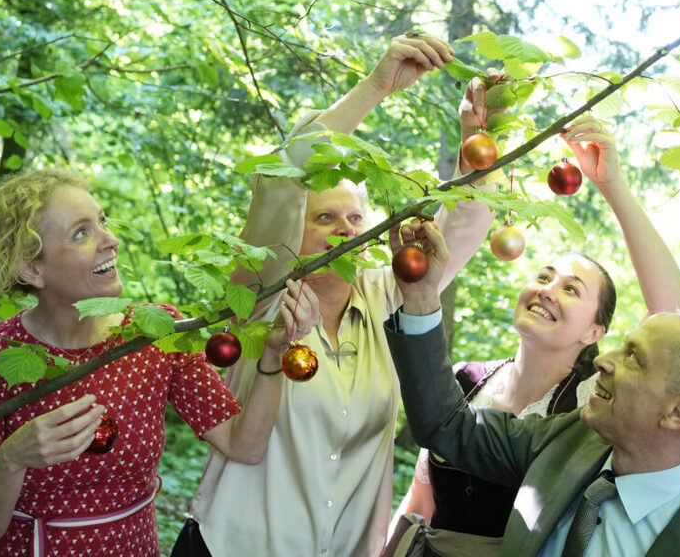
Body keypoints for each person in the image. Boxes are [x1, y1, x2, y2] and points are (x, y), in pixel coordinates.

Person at [175, 35, 504, 557]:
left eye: (354, 218)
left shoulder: (390, 297)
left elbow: (466, 221)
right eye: (323, 217)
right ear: (289, 230)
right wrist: (376, 87)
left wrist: (476, 135)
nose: (344, 230)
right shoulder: (258, 295)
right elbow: (286, 174)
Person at [383, 174, 680, 553]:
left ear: (679, 411)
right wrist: (421, 297)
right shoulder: (565, 437)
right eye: (544, 276)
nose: (606, 361)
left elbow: (673, 314)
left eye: (633, 357)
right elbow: (446, 427)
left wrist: (613, 183)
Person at [0, 169, 318, 557]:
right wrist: (11, 460)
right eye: (82, 233)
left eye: (102, 222)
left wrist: (272, 353)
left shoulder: (153, 333)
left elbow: (242, 444)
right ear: (32, 269)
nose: (110, 240)